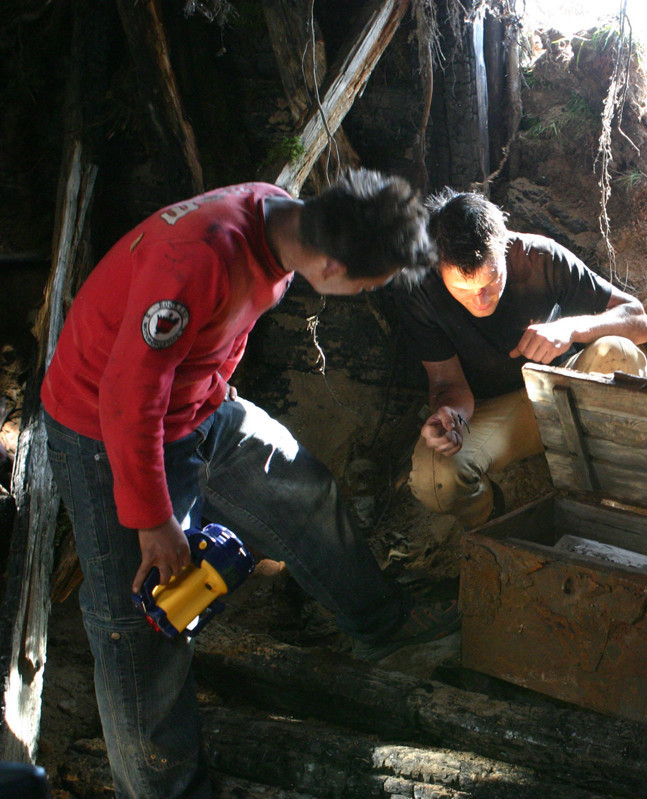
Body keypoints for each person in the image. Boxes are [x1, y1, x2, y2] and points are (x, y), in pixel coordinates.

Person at [41, 169, 461, 799]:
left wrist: (216, 388)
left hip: (198, 404)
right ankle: (164, 791)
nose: (365, 294)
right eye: (367, 285)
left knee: (303, 489)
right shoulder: (196, 258)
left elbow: (221, 328)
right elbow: (128, 395)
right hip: (106, 427)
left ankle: (382, 627)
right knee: (144, 622)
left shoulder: (281, 220)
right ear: (330, 264)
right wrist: (153, 519)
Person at [387, 190, 647, 528]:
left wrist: (569, 329)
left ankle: (617, 483)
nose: (481, 300)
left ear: (505, 247)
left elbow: (639, 321)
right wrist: (450, 416)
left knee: (619, 353)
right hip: (498, 412)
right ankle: (495, 525)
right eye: (464, 291)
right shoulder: (420, 289)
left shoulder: (539, 257)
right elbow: (447, 382)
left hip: (565, 389)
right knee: (435, 478)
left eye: (491, 281)